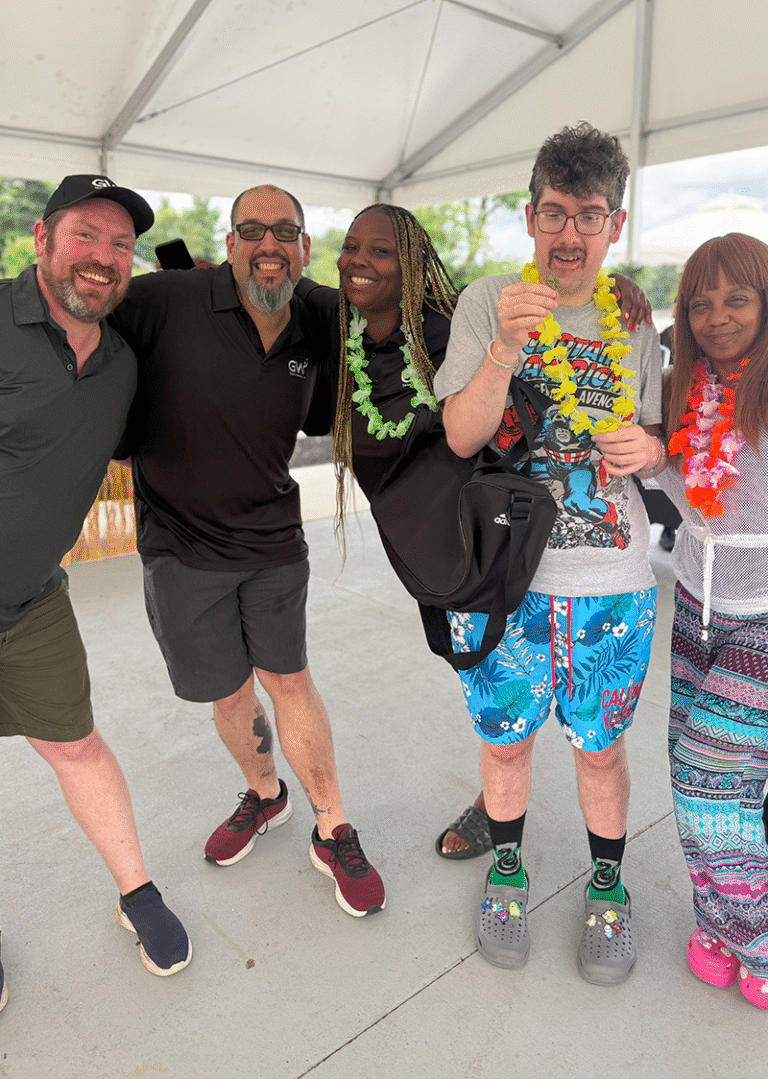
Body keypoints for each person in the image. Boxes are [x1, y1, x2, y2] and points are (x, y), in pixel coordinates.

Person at [317, 202, 652, 862]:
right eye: (352, 246)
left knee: (525, 731)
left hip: (487, 534)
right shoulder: (333, 325)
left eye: (382, 251)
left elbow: (523, 331)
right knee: (499, 720)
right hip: (417, 526)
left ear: (413, 266)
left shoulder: (449, 325)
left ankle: (489, 808)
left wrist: (608, 287)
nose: (361, 261)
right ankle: (497, 803)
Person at [110, 185, 385, 919]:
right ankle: (265, 795)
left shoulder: (318, 319)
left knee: (289, 680)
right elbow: (76, 305)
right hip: (180, 546)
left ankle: (333, 828)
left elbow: (395, 316)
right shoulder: (167, 299)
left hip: (272, 539)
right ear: (229, 242)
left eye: (285, 231)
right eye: (253, 230)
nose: (270, 243)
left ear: (304, 246)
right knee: (230, 692)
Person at [433, 122, 664, 984]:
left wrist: (655, 451)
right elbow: (461, 437)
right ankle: (506, 873)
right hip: (504, 582)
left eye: (590, 216)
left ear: (615, 224)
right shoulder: (488, 300)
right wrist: (504, 347)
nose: (571, 233)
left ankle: (608, 886)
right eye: (555, 213)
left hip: (614, 581)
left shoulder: (631, 319)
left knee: (600, 750)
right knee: (505, 744)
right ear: (530, 218)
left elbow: (659, 440)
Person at [0, 175, 192, 1007]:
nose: (103, 256)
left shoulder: (119, 365)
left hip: (33, 600)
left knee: (76, 745)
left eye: (120, 245)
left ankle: (136, 892)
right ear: (42, 239)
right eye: (86, 234)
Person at [651, 232, 768, 1009]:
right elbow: (683, 484)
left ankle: (757, 936)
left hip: (763, 618)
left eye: (738, 298)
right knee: (703, 776)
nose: (718, 316)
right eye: (701, 303)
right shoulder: (680, 389)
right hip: (694, 606)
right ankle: (714, 926)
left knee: (708, 781)